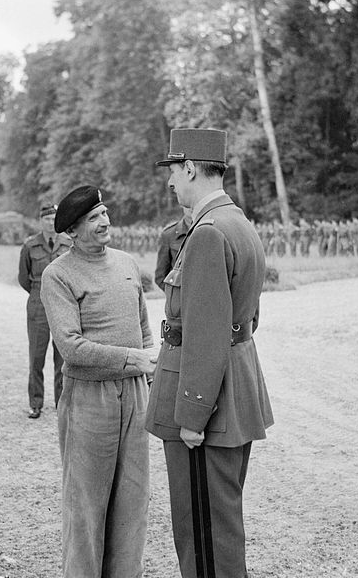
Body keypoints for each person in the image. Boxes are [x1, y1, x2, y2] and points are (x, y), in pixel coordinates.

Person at [146, 129, 274, 578]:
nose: (170, 183)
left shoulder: (206, 233)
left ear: (190, 168)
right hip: (234, 392)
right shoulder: (238, 223)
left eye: (173, 172)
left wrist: (191, 416)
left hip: (208, 408)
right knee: (220, 528)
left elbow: (204, 333)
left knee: (204, 540)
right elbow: (248, 319)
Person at [40, 185, 158, 578]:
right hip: (89, 399)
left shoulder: (126, 263)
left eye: (104, 212)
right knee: (87, 505)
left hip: (136, 394)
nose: (104, 221)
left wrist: (149, 364)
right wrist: (134, 359)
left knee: (133, 500)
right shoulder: (58, 275)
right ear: (71, 231)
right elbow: (71, 346)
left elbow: (142, 324)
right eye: (93, 218)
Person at [18, 203, 71, 419]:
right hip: (38, 303)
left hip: (62, 303)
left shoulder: (67, 243)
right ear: (41, 220)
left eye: (54, 219)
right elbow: (23, 278)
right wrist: (38, 292)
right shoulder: (30, 246)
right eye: (47, 219)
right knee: (36, 357)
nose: (51, 222)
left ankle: (62, 403)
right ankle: (36, 403)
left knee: (63, 358)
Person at [154, 206, 192, 290]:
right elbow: (160, 276)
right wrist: (174, 295)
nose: (192, 209)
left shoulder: (210, 230)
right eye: (188, 206)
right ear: (183, 206)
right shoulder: (169, 235)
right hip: (178, 296)